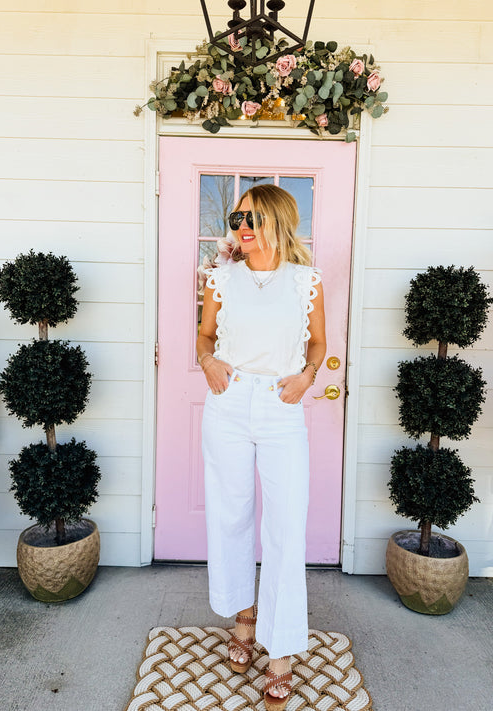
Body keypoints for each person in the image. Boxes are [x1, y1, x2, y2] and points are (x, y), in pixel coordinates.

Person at [196, 184, 326, 711]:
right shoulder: (221, 277)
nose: (242, 227)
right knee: (230, 514)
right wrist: (208, 362)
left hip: (280, 405)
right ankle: (244, 619)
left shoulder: (306, 281)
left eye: (251, 218)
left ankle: (283, 650)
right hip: (228, 403)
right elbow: (205, 337)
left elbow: (318, 343)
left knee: (285, 527)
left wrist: (308, 377)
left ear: (277, 221)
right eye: (236, 219)